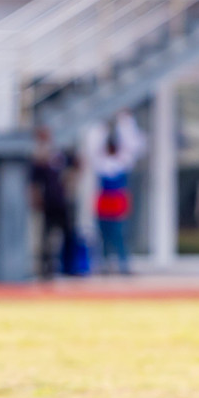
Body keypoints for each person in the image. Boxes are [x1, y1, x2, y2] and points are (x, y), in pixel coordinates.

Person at [90, 111, 145, 275]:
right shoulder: (101, 162)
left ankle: (123, 264)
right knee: (104, 236)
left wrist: (124, 120)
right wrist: (103, 126)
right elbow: (94, 144)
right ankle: (105, 265)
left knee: (120, 235)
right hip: (105, 203)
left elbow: (132, 144)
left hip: (117, 203)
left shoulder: (122, 161)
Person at [29, 126, 75, 279]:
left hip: (61, 200)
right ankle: (46, 268)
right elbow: (34, 182)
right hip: (48, 202)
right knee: (46, 236)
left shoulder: (58, 154)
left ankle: (69, 266)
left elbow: (74, 165)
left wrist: (69, 186)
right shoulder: (38, 156)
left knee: (67, 233)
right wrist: (36, 199)